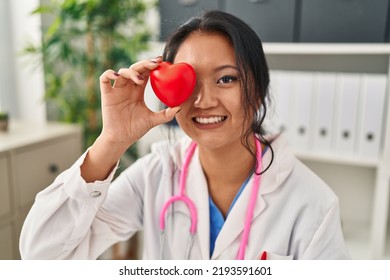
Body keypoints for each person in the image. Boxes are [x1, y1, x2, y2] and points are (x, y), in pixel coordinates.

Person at [20, 10, 350, 260]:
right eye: (189, 82)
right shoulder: (156, 174)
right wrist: (112, 140)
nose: (204, 101)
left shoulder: (313, 205)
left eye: (226, 79)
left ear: (259, 91)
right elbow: (41, 255)